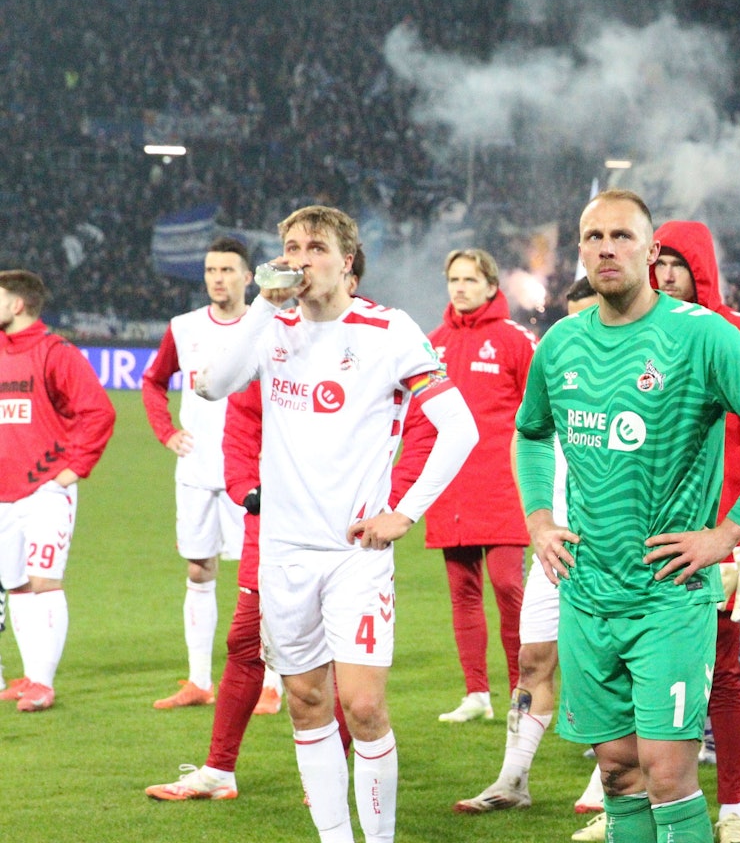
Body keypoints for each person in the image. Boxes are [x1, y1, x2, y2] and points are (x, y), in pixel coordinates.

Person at [514, 189, 740, 843]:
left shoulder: (701, 335)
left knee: (668, 773)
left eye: (622, 236)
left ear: (651, 252)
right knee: (619, 773)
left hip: (667, 596)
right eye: (594, 237)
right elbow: (531, 432)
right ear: (580, 251)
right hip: (587, 595)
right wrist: (538, 518)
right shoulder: (560, 343)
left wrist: (728, 534)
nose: (607, 249)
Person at [196, 205, 478, 843]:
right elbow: (212, 386)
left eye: (316, 247)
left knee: (365, 704)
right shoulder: (272, 326)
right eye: (292, 247)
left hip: (355, 554)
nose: (301, 259)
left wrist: (405, 511)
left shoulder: (388, 330)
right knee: (305, 702)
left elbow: (459, 428)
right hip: (283, 553)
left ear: (346, 260)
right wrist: (263, 307)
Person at [452, 276, 609, 843]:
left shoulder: (636, 374)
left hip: (614, 546)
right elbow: (527, 438)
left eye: (592, 316)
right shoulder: (555, 371)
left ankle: (608, 778)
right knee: (533, 658)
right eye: (572, 319)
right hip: (557, 543)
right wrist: (540, 520)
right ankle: (512, 779)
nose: (582, 329)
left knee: (607, 665)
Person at [651, 219, 740, 843]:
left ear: (701, 269)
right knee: (640, 669)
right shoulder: (637, 331)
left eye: (677, 265)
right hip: (647, 536)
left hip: (720, 540)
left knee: (725, 672)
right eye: (658, 264)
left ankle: (733, 810)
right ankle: (633, 800)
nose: (665, 276)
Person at [418, 248, 538, 724]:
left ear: (491, 286)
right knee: (463, 592)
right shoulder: (432, 344)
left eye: (470, 279)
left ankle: (523, 692)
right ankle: (476, 694)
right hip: (451, 489)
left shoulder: (515, 340)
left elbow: (540, 412)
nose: (460, 288)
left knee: (509, 587)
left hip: (503, 486)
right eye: (454, 279)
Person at [140, 236, 254, 710]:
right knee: (198, 568)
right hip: (197, 469)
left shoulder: (269, 327)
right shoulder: (184, 327)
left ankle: (270, 683)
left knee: (259, 577)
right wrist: (166, 432)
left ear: (248, 277)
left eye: (227, 270)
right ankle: (199, 681)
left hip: (251, 472)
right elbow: (153, 381)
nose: (217, 279)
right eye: (211, 270)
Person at [0, 269, 116, 713]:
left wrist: (72, 470)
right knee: (17, 585)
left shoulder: (55, 352)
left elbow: (99, 412)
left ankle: (44, 684)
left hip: (45, 491)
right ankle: (30, 677)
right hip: (4, 492)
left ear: (18, 304)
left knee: (44, 581)